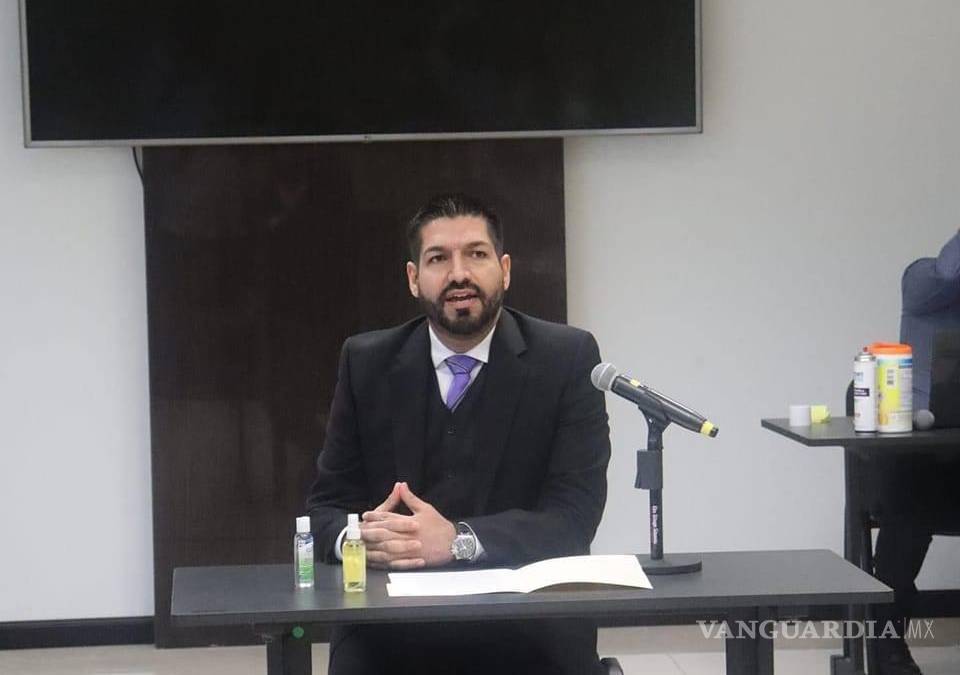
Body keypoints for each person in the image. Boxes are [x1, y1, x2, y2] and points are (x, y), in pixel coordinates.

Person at [306, 193, 612, 675]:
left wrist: (457, 540)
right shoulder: (367, 363)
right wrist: (362, 539)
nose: (459, 274)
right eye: (438, 259)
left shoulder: (567, 360)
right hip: (392, 627)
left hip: (529, 626)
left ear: (504, 270)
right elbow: (325, 510)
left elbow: (574, 518)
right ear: (413, 278)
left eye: (476, 254)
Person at [871, 230, 960, 675]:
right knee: (906, 511)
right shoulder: (924, 284)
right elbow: (949, 270)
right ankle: (887, 647)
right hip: (922, 469)